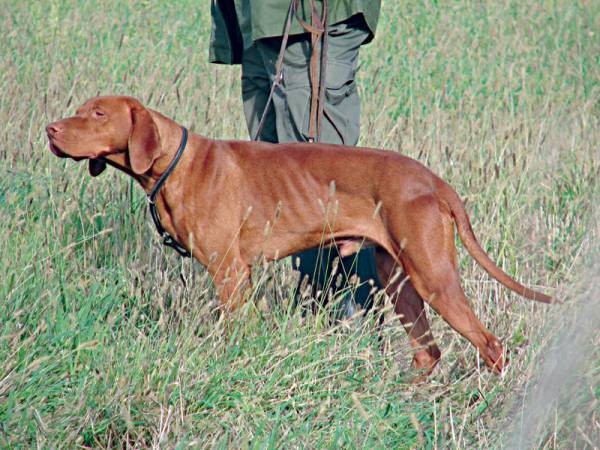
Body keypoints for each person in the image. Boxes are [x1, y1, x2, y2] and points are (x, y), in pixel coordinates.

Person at [209, 0, 382, 315]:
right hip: (256, 19)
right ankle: (314, 320)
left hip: (307, 18)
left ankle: (355, 323)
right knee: (278, 184)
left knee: (320, 183)